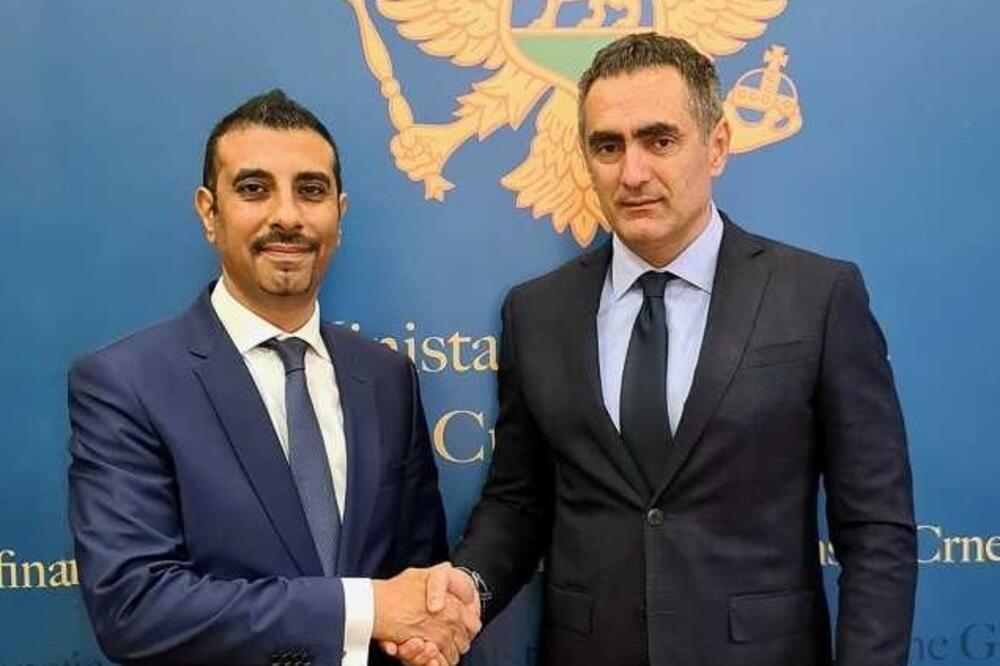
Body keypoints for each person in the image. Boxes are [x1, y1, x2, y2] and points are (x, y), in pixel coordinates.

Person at [407, 33, 917, 666]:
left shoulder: (818, 296)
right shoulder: (536, 312)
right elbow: (519, 499)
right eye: (608, 146)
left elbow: (876, 528)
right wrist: (471, 587)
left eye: (660, 141)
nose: (633, 173)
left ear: (717, 144)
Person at [67, 90, 477, 666]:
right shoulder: (125, 384)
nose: (287, 216)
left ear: (339, 212)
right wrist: (365, 609)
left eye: (310, 190)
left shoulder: (387, 379)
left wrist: (423, 635)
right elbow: (134, 608)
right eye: (255, 189)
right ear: (209, 212)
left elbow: (414, 582)